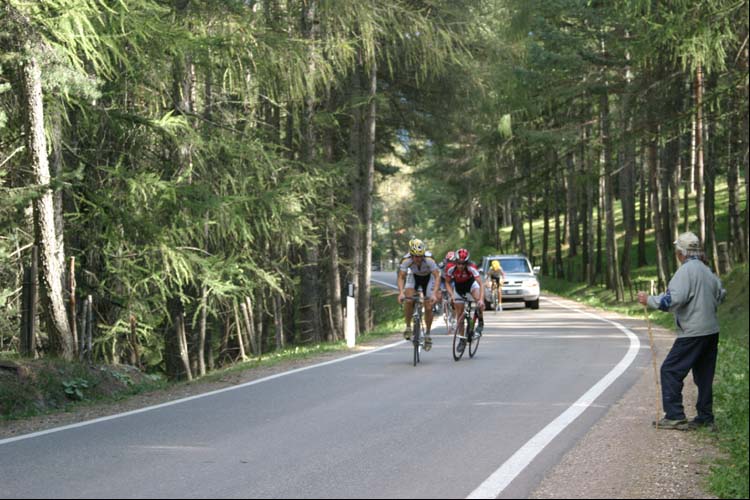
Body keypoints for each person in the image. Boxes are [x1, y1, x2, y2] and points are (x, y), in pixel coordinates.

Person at [637, 232, 726, 431]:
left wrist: (649, 300)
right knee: (704, 375)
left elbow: (673, 300)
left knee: (670, 370)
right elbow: (721, 294)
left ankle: (675, 415)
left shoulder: (685, 272)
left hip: (693, 331)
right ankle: (705, 417)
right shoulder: (707, 270)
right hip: (711, 331)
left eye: (677, 251)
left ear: (681, 253)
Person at [397, 238, 440, 351]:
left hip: (428, 278)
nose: (418, 259)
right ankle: (408, 326)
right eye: (416, 256)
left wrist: (434, 294)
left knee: (429, 306)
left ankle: (428, 335)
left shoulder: (429, 259)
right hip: (414, 277)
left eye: (420, 256)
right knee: (409, 299)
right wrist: (401, 293)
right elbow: (401, 277)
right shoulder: (406, 260)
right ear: (411, 255)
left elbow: (437, 276)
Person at [444, 248, 485, 353]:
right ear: (455, 262)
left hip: (471, 285)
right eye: (459, 263)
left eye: (463, 264)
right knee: (460, 316)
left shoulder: (472, 267)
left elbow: (480, 284)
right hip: (459, 288)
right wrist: (452, 295)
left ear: (467, 263)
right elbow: (447, 283)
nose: (461, 266)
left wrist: (480, 299)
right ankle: (462, 340)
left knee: (479, 303)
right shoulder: (450, 268)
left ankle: (480, 322)